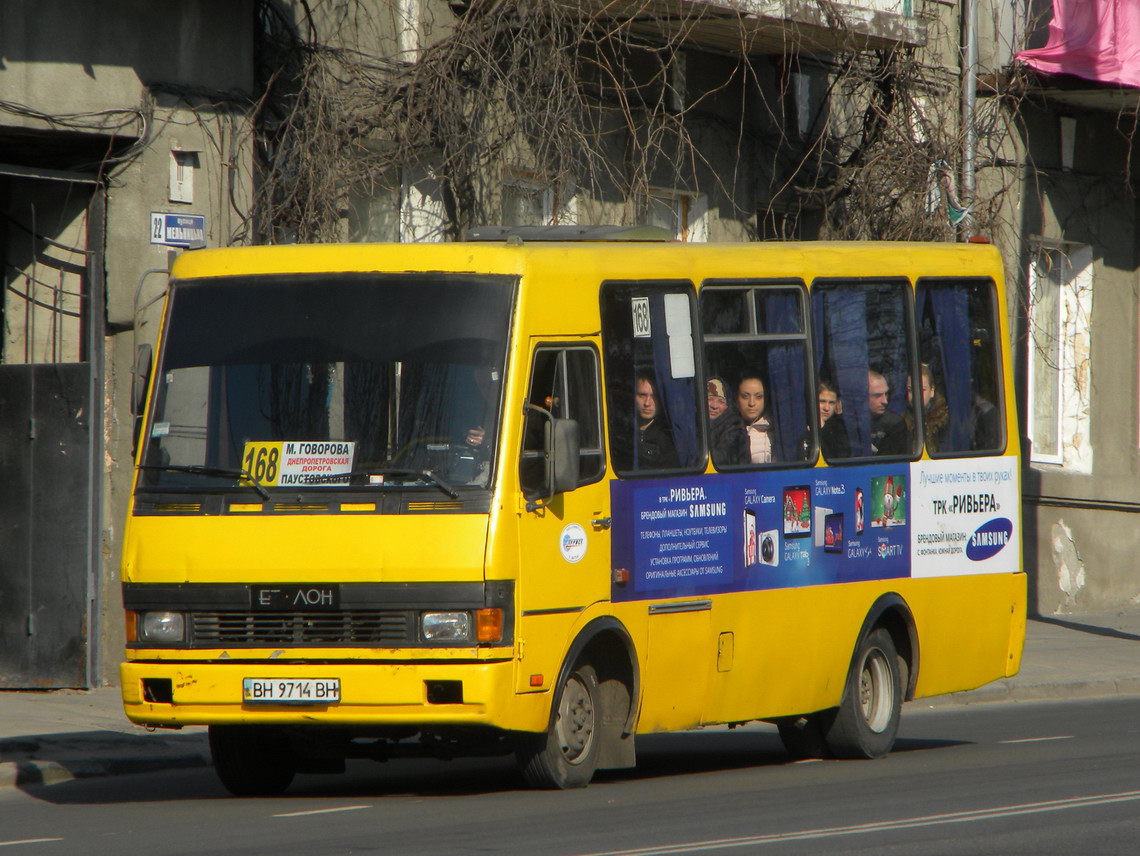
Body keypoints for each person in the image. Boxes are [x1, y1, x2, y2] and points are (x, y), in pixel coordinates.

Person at [635, 373, 679, 468]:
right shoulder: (621, 433)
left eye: (654, 396)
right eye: (642, 395)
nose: (647, 403)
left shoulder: (669, 439)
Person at [904, 363, 949, 453]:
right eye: (910, 390)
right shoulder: (902, 422)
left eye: (922, 390)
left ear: (932, 390)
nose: (916, 395)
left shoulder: (946, 420)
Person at [737, 374, 779, 463]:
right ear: (736, 398)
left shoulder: (778, 430)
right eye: (745, 396)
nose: (752, 403)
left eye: (758, 396)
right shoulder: (728, 431)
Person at [707, 376, 748, 466]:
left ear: (728, 406)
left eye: (721, 401)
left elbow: (720, 458)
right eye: (709, 399)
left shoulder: (734, 428)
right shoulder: (690, 426)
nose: (714, 406)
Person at [868, 370, 908, 455]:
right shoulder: (847, 424)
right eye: (877, 395)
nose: (885, 401)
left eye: (886, 394)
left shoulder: (895, 424)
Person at [817, 378, 850, 459]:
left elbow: (842, 457)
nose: (827, 408)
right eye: (822, 401)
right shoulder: (802, 427)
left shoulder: (839, 428)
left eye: (831, 403)